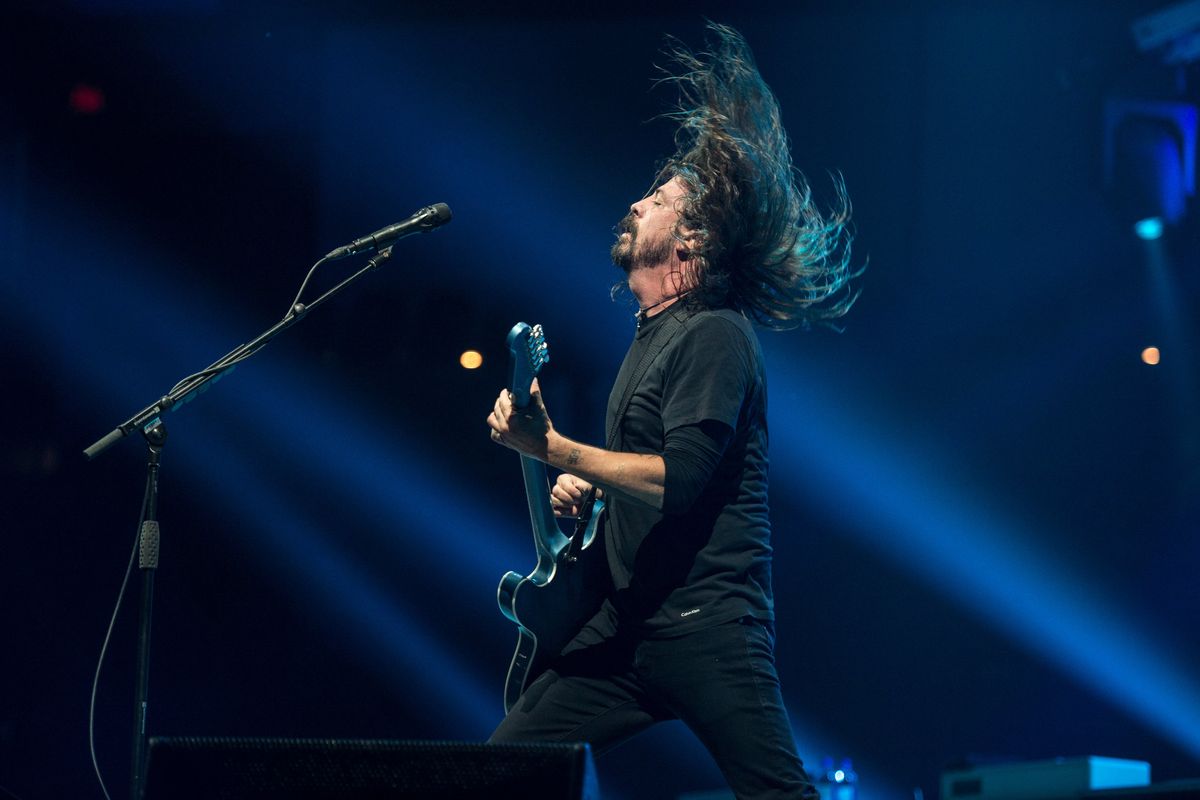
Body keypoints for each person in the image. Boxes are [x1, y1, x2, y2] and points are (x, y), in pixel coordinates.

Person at [485, 23, 857, 800]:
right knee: (502, 769)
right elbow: (640, 482)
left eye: (656, 200)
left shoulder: (718, 335)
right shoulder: (650, 339)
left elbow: (681, 480)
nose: (635, 203)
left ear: (688, 244)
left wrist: (554, 449)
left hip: (709, 629)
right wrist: (580, 493)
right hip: (628, 630)